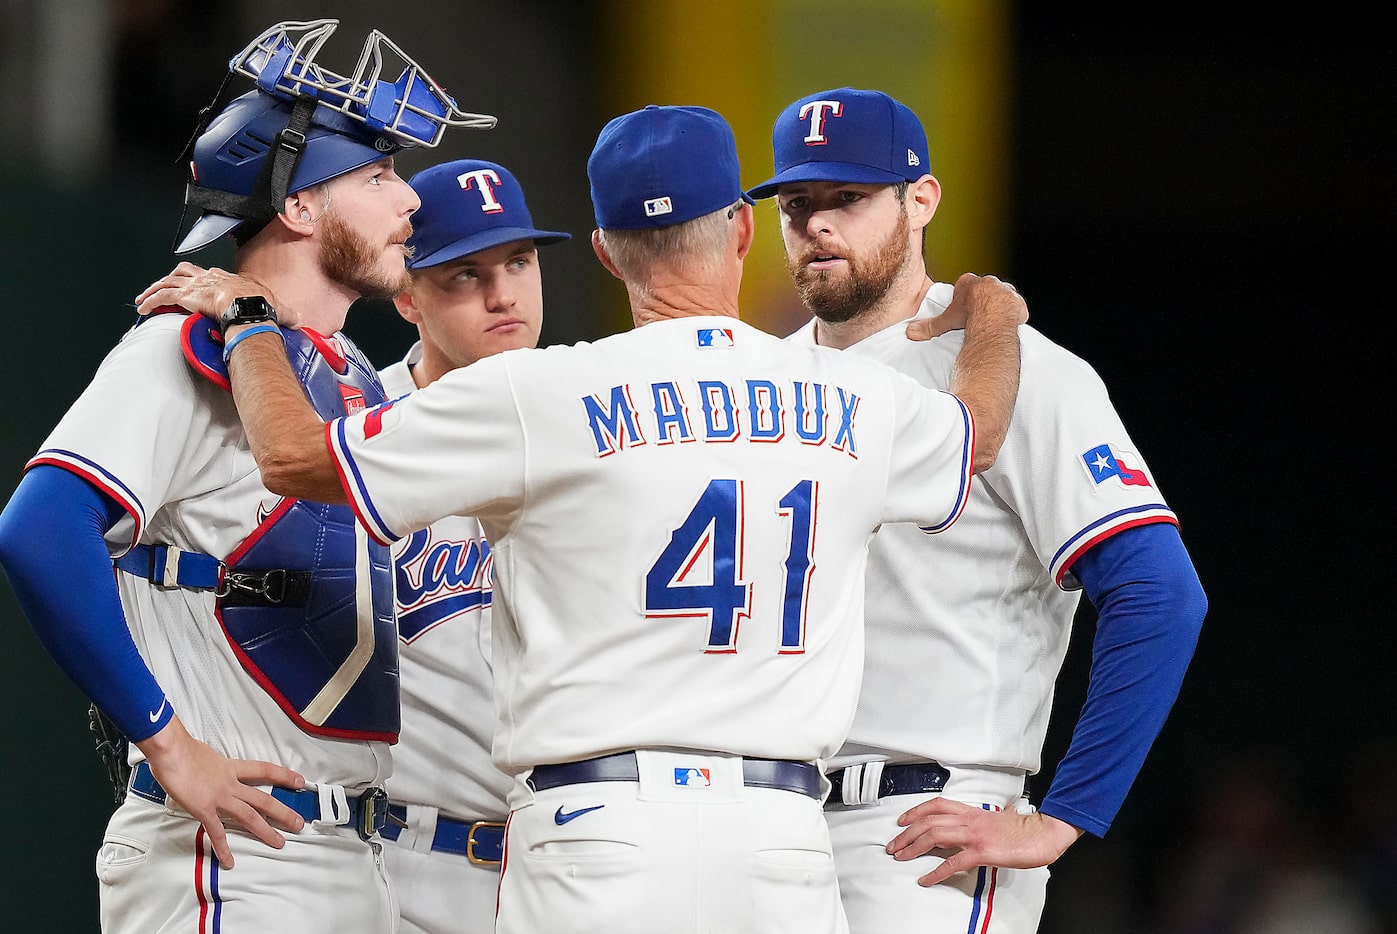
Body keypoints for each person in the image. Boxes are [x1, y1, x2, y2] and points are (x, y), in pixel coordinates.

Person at [134, 103, 1027, 934]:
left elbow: (294, 460)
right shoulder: (854, 396)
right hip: (782, 840)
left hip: (602, 832)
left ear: (604, 250)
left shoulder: (539, 391)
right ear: (745, 227)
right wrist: (993, 323)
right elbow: (977, 434)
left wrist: (250, 319)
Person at [0, 20, 490, 934]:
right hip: (233, 855)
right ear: (300, 208)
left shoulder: (341, 368)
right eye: (378, 176)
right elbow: (39, 528)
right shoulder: (178, 346)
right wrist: (168, 742)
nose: (408, 203)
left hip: (351, 853)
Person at [747, 86, 1209, 932]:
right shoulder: (757, 380)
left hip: (927, 825)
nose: (817, 223)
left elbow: (1158, 591)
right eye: (796, 202)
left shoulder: (1013, 366)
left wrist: (1066, 817)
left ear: (920, 200)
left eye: (847, 198)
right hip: (764, 821)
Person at [375, 158, 570, 934]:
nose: (504, 295)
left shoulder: (601, 417)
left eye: (518, 261)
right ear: (405, 294)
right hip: (402, 862)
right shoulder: (352, 436)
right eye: (463, 274)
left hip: (570, 865)